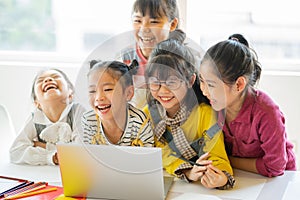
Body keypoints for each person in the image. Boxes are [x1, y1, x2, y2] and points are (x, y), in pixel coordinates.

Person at [143, 35, 235, 189]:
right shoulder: (148, 114)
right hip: (168, 183)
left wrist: (221, 178)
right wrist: (187, 171)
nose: (163, 91)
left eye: (172, 82)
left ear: (190, 81)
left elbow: (217, 156)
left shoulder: (205, 114)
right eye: (155, 83)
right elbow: (158, 153)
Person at [199, 39, 297, 177]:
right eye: (201, 81)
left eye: (211, 85)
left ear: (239, 84)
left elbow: (275, 167)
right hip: (239, 176)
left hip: (279, 180)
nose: (204, 90)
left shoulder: (267, 113)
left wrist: (228, 160)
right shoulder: (212, 104)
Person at [10, 68, 86, 165]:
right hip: (45, 174)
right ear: (36, 102)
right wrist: (51, 157)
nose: (48, 80)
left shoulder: (78, 111)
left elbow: (81, 151)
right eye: (41, 80)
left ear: (70, 94)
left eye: (55, 77)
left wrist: (44, 146)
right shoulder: (35, 118)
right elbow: (15, 151)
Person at [119, 0, 181, 109]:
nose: (144, 29)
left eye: (154, 22)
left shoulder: (183, 60)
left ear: (172, 24)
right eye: (138, 20)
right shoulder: (124, 58)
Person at [81, 60, 154, 147]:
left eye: (108, 89)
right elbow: (88, 156)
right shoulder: (88, 121)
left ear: (128, 93)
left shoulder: (140, 123)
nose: (99, 98)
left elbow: (147, 159)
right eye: (92, 91)